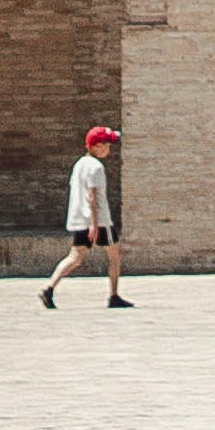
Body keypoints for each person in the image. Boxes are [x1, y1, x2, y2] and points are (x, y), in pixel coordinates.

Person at [39, 125, 127, 311]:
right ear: (96, 146)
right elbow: (92, 196)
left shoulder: (79, 164)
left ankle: (49, 287)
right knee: (115, 255)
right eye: (106, 145)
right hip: (100, 221)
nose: (109, 149)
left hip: (80, 219)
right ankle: (113, 295)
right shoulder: (96, 167)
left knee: (75, 257)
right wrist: (94, 225)